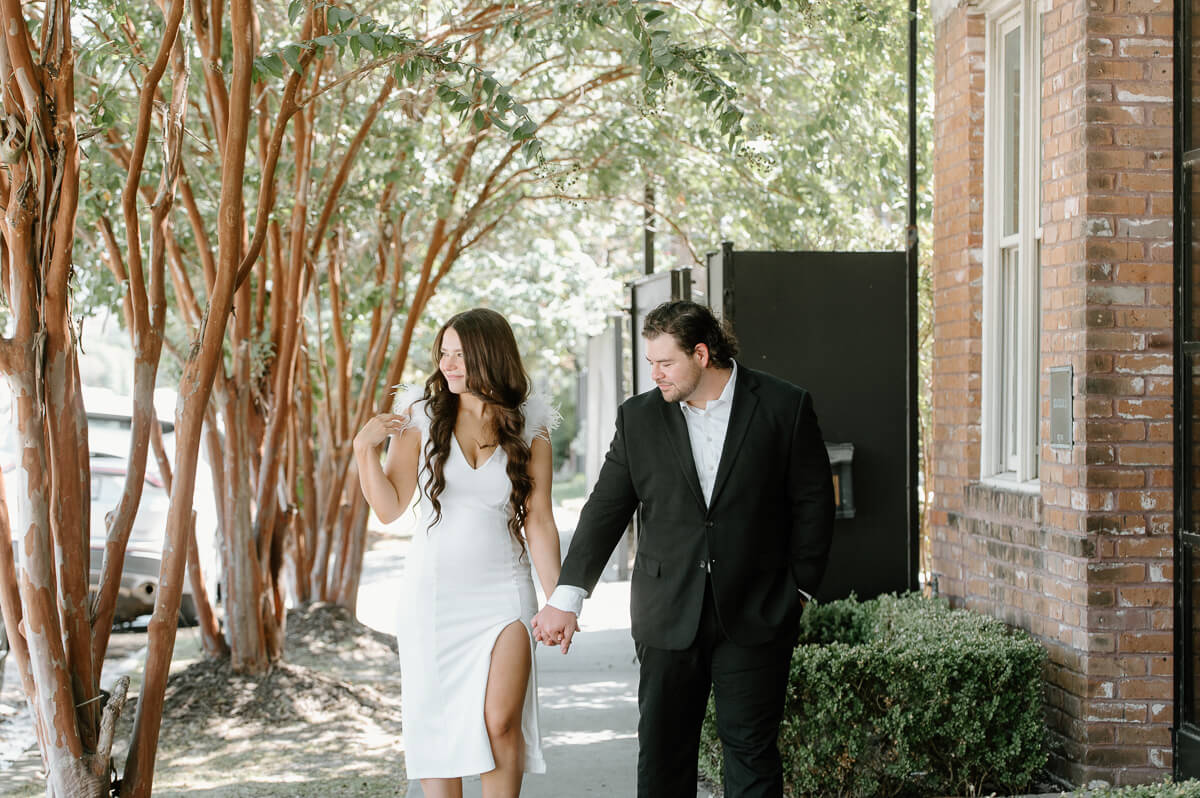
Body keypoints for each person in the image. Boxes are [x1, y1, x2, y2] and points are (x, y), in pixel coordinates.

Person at [532, 300, 835, 798]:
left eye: (665, 363)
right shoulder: (638, 419)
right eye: (650, 362)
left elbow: (814, 504)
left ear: (702, 353)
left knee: (753, 756)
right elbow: (606, 509)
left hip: (756, 612)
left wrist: (798, 590)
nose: (655, 375)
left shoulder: (785, 406)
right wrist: (567, 596)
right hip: (666, 613)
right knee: (663, 755)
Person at [354, 308, 561, 798]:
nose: (447, 364)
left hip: (505, 595)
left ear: (491, 356)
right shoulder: (420, 419)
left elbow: (540, 520)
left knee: (502, 721)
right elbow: (388, 509)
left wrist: (559, 600)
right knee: (438, 727)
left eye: (460, 355)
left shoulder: (530, 430)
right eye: (443, 353)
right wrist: (365, 450)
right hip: (433, 599)